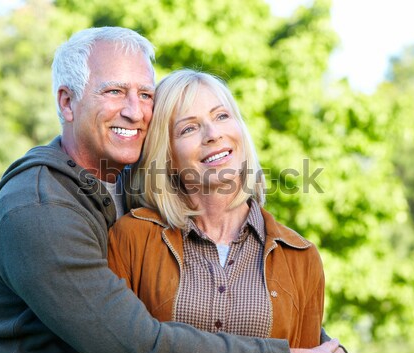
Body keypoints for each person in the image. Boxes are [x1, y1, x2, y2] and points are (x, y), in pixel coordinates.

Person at [0, 27, 342, 353]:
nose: (135, 112)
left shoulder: (125, 183)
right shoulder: (38, 210)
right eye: (115, 91)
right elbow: (131, 343)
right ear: (67, 103)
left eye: (145, 94)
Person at [108, 69, 335, 350]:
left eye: (222, 116)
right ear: (167, 156)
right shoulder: (131, 238)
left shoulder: (301, 257)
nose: (213, 134)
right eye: (189, 128)